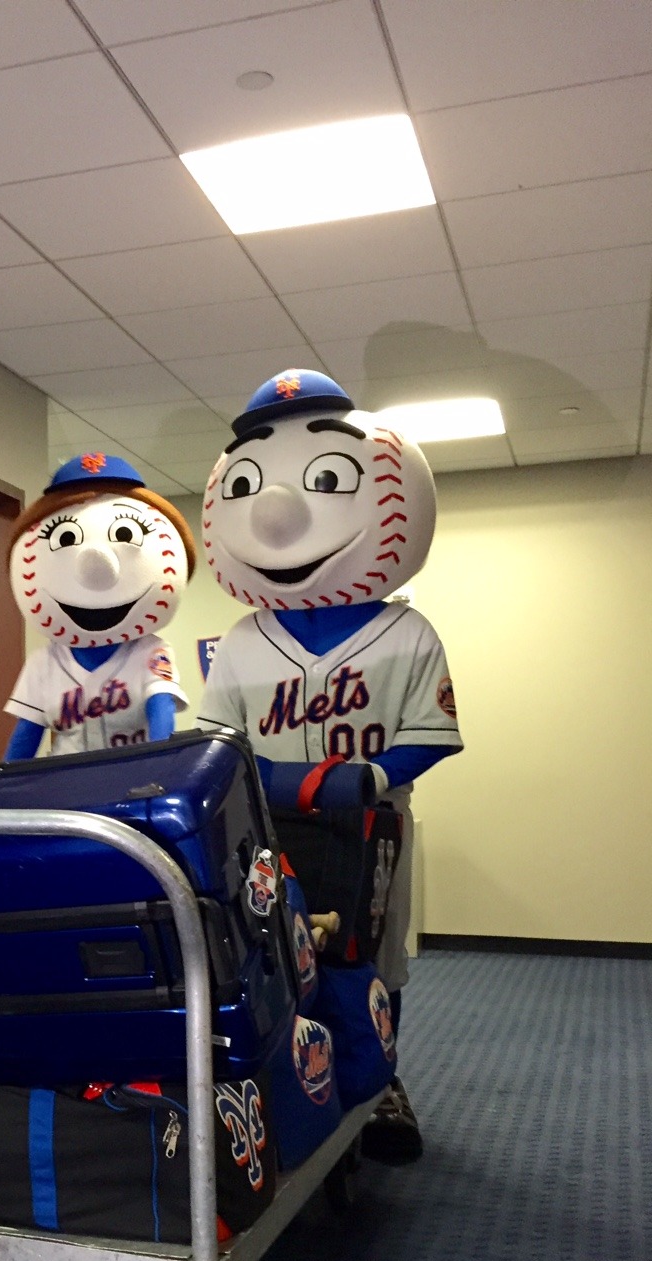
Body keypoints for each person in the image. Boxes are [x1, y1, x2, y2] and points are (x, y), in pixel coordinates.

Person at [196, 369, 464, 1162]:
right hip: (267, 828)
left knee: (374, 953)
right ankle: (297, 1081)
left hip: (370, 825)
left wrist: (374, 777)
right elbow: (214, 739)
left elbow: (434, 731)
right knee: (274, 950)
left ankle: (382, 1083)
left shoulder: (408, 633)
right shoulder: (244, 637)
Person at [1, 453, 195, 759]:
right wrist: (4, 790)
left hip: (131, 780)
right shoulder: (44, 662)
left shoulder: (150, 651)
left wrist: (161, 769)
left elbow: (162, 716)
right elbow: (26, 735)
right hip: (65, 785)